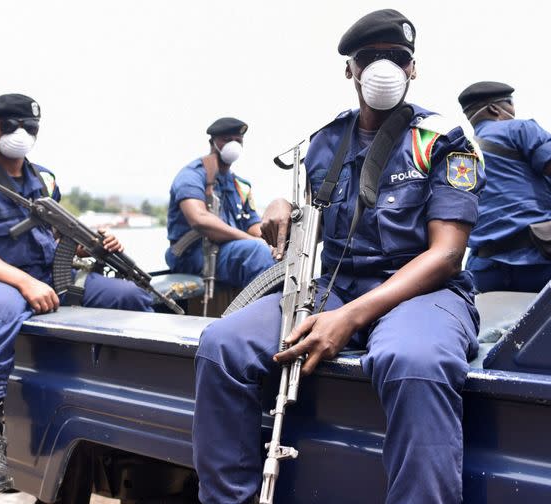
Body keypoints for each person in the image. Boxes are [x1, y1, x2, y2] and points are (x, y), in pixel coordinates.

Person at [192, 9, 485, 504]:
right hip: (334, 288)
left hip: (423, 292)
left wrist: (348, 319)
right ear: (349, 68)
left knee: (413, 360)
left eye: (397, 58)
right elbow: (311, 227)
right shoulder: (324, 143)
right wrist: (281, 207)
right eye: (370, 58)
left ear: (414, 68)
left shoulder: (444, 139)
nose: (383, 68)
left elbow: (447, 255)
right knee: (222, 345)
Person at [0, 93, 154, 500]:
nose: (21, 134)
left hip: (50, 275)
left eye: (29, 127)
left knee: (131, 299)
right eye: (11, 126)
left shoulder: (44, 179)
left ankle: (125, 410)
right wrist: (23, 282)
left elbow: (55, 237)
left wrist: (93, 243)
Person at [458, 81, 551, 292]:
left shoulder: (460, 152)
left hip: (485, 270)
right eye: (510, 104)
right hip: (542, 258)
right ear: (494, 108)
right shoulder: (519, 128)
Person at [165, 117, 274, 292]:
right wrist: (253, 241)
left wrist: (275, 240)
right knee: (256, 252)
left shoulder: (241, 185)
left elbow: (254, 226)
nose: (234, 145)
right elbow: (199, 219)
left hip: (229, 250)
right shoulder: (192, 175)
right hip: (193, 254)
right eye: (227, 140)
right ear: (212, 142)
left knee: (276, 253)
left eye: (238, 141)